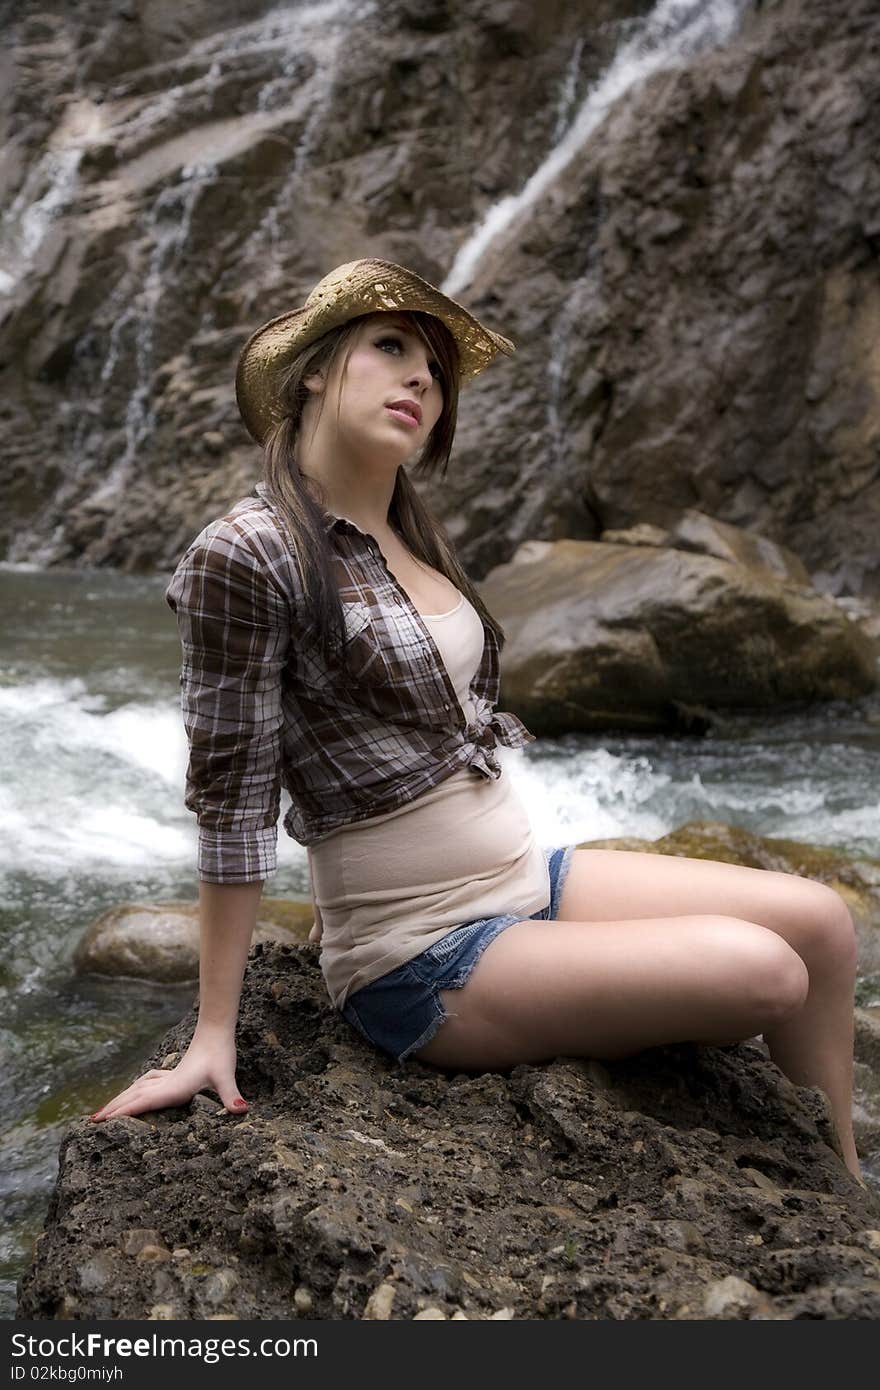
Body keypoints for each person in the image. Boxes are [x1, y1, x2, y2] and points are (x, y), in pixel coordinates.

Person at [90, 258, 864, 1186]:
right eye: (390, 348)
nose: (421, 378)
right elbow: (232, 796)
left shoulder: (412, 536)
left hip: (521, 877)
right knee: (766, 973)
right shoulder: (249, 551)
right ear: (310, 370)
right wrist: (214, 1031)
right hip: (419, 950)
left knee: (821, 924)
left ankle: (847, 1191)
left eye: (435, 370)